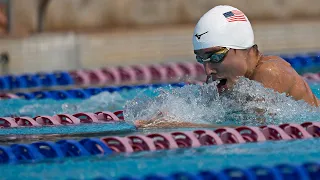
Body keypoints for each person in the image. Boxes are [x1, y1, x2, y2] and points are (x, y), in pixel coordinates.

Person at [135, 5, 319, 128]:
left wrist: (181, 124)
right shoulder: (227, 80)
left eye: (216, 56)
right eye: (202, 60)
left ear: (243, 49)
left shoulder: (270, 72)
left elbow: (255, 128)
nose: (208, 70)